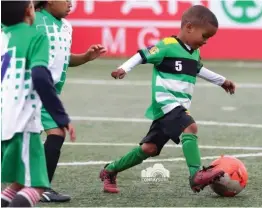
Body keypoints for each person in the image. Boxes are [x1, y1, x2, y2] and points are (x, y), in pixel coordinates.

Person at [100, 5, 236, 194]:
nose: (205, 41)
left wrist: (222, 81)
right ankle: (196, 175)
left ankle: (110, 170)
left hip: (177, 106)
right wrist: (124, 68)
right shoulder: (167, 46)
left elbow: (198, 69)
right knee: (191, 127)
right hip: (166, 102)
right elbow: (142, 55)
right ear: (189, 27)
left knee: (150, 148)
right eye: (204, 36)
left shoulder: (194, 51)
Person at [1, 1, 76, 207]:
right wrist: (61, 116)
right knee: (37, 185)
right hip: (23, 117)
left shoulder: (3, 36)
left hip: (4, 114)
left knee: (18, 183)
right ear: (29, 11)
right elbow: (41, 78)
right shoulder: (36, 36)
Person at [33, 0, 106, 202]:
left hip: (49, 94)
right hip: (27, 90)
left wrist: (85, 57)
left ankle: (41, 188)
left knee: (56, 133)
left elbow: (63, 57)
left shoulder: (66, 27)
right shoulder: (31, 19)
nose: (70, 3)